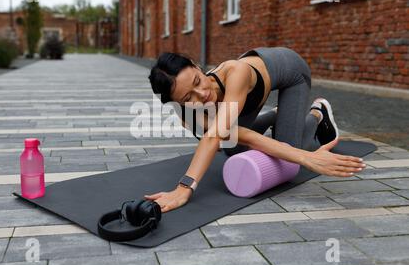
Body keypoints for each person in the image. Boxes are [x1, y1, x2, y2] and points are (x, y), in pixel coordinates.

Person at [146, 47, 366, 213]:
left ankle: (317, 113)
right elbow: (238, 137)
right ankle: (280, 115)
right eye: (188, 97)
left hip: (291, 72)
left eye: (197, 80)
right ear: (178, 103)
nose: (201, 94)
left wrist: (307, 158)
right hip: (244, 103)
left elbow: (218, 136)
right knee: (231, 147)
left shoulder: (235, 72)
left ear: (196, 66)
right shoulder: (186, 113)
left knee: (291, 156)